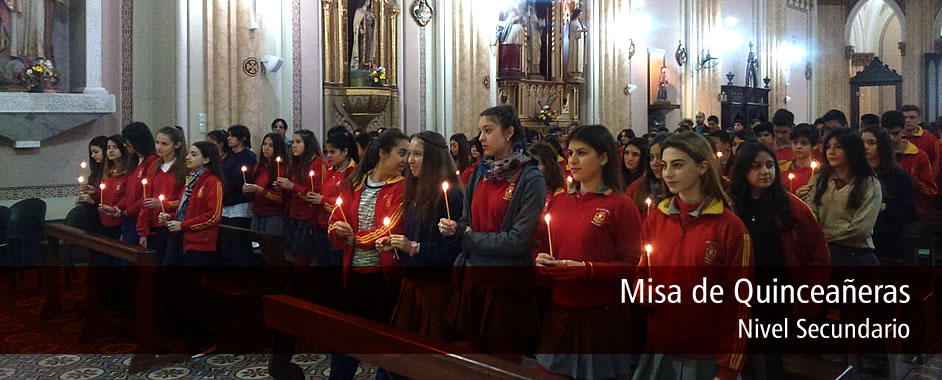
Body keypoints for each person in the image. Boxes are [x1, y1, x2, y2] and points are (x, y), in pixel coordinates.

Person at [633, 132, 753, 380]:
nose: (667, 174)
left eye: (678, 165)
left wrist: (728, 366)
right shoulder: (656, 218)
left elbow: (740, 302)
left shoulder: (729, 227)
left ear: (702, 167)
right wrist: (641, 289)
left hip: (707, 355)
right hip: (661, 348)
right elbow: (642, 271)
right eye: (664, 166)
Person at [533, 125, 643, 379]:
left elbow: (633, 266)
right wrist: (542, 262)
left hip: (601, 319)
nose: (572, 160)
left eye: (582, 153)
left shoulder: (619, 205)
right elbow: (546, 249)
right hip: (560, 316)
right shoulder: (560, 202)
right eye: (570, 153)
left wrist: (587, 270)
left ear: (603, 157)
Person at [439, 105, 546, 361]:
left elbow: (518, 240)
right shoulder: (479, 174)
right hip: (474, 279)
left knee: (503, 362)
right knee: (473, 361)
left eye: (488, 131)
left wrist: (466, 237)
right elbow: (466, 221)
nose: (481, 138)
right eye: (479, 131)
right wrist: (453, 230)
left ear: (508, 132)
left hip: (506, 286)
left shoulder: (530, 178)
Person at [727, 142, 830, 380]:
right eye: (756, 166)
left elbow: (817, 254)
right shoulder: (731, 207)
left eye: (769, 165)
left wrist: (808, 295)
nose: (765, 172)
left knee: (772, 360)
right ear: (742, 171)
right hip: (740, 293)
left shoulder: (793, 207)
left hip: (778, 293)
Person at [326, 130, 409, 380]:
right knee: (347, 339)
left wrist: (356, 238)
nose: (406, 159)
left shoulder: (402, 187)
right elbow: (336, 218)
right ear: (383, 153)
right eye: (401, 153)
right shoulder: (355, 182)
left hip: (385, 276)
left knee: (386, 342)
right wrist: (338, 230)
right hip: (353, 272)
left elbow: (391, 228)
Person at [388, 131, 464, 340]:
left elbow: (451, 251)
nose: (409, 161)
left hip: (435, 290)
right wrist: (395, 244)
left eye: (417, 154)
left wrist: (412, 246)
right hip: (412, 284)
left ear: (432, 158)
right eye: (408, 154)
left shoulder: (450, 196)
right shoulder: (415, 191)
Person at [159, 141, 224, 357]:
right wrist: (170, 217)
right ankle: (184, 337)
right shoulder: (192, 181)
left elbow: (212, 216)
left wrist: (183, 225)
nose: (187, 157)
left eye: (193, 154)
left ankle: (204, 342)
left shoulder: (212, 182)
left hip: (201, 246)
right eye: (188, 154)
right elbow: (185, 210)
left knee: (192, 295)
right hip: (184, 244)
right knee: (180, 292)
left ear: (206, 159)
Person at [796, 128, 882, 267]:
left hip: (856, 253)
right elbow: (812, 212)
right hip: (823, 251)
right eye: (828, 147)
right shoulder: (819, 179)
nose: (832, 151)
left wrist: (822, 235)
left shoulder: (869, 183)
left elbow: (861, 229)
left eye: (839, 147)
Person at [862, 126, 917, 263]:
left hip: (887, 239)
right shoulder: (855, 173)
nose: (865, 147)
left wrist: (886, 208)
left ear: (882, 146)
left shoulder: (898, 176)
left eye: (871, 143)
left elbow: (909, 214)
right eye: (862, 142)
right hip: (858, 240)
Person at [275, 130, 326, 267]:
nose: (293, 146)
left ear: (308, 145)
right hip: (293, 215)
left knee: (303, 258)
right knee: (291, 255)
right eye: (293, 142)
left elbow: (315, 194)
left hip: (308, 218)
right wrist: (281, 187)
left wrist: (292, 186)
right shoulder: (296, 163)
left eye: (298, 142)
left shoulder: (318, 163)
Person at [138, 126, 187, 265]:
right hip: (153, 225)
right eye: (157, 142)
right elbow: (145, 200)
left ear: (177, 145)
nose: (159, 147)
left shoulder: (184, 168)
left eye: (164, 144)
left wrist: (163, 204)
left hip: (172, 225)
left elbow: (186, 201)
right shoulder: (154, 165)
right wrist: (143, 230)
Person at [106, 122, 158, 246]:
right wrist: (116, 209)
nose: (124, 145)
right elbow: (129, 193)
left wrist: (127, 212)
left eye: (127, 141)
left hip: (139, 219)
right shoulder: (134, 162)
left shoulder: (151, 161)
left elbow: (144, 196)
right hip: (128, 219)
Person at [882, 110, 937, 216]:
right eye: (887, 134)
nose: (891, 138)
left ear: (903, 130)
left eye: (895, 133)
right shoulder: (877, 154)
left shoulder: (918, 156)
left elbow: (931, 190)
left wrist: (910, 178)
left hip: (912, 213)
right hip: (882, 213)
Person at [219, 125, 257, 266]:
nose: (228, 138)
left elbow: (245, 178)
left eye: (232, 136)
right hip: (226, 204)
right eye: (228, 135)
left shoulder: (248, 156)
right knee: (226, 246)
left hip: (240, 205)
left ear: (242, 138)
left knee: (239, 247)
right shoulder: (229, 157)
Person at [243, 133, 288, 236]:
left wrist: (259, 189)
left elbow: (280, 198)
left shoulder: (282, 169)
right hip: (257, 212)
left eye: (271, 145)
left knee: (270, 247)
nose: (266, 148)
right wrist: (248, 190)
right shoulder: (259, 167)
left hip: (273, 215)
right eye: (264, 144)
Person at [98, 135, 136, 240]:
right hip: (105, 219)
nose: (111, 151)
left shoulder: (128, 172)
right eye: (108, 148)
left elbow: (128, 195)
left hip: (119, 219)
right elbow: (103, 194)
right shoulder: (109, 172)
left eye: (115, 147)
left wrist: (116, 208)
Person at [626, 134, 669, 217]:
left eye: (660, 157)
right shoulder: (638, 186)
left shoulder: (681, 190)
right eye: (651, 158)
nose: (654, 163)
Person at [75, 136, 108, 232]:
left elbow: (107, 198)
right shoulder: (96, 172)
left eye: (96, 152)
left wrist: (92, 201)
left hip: (103, 219)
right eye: (91, 153)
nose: (93, 156)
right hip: (92, 214)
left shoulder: (110, 173)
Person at [779, 124, 819, 193]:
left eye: (804, 143)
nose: (798, 146)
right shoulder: (782, 169)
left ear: (814, 146)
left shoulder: (820, 170)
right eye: (795, 143)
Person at [529, 142, 566, 209]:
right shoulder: (524, 192)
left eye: (536, 164)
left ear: (549, 166)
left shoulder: (559, 196)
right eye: (529, 164)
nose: (531, 169)